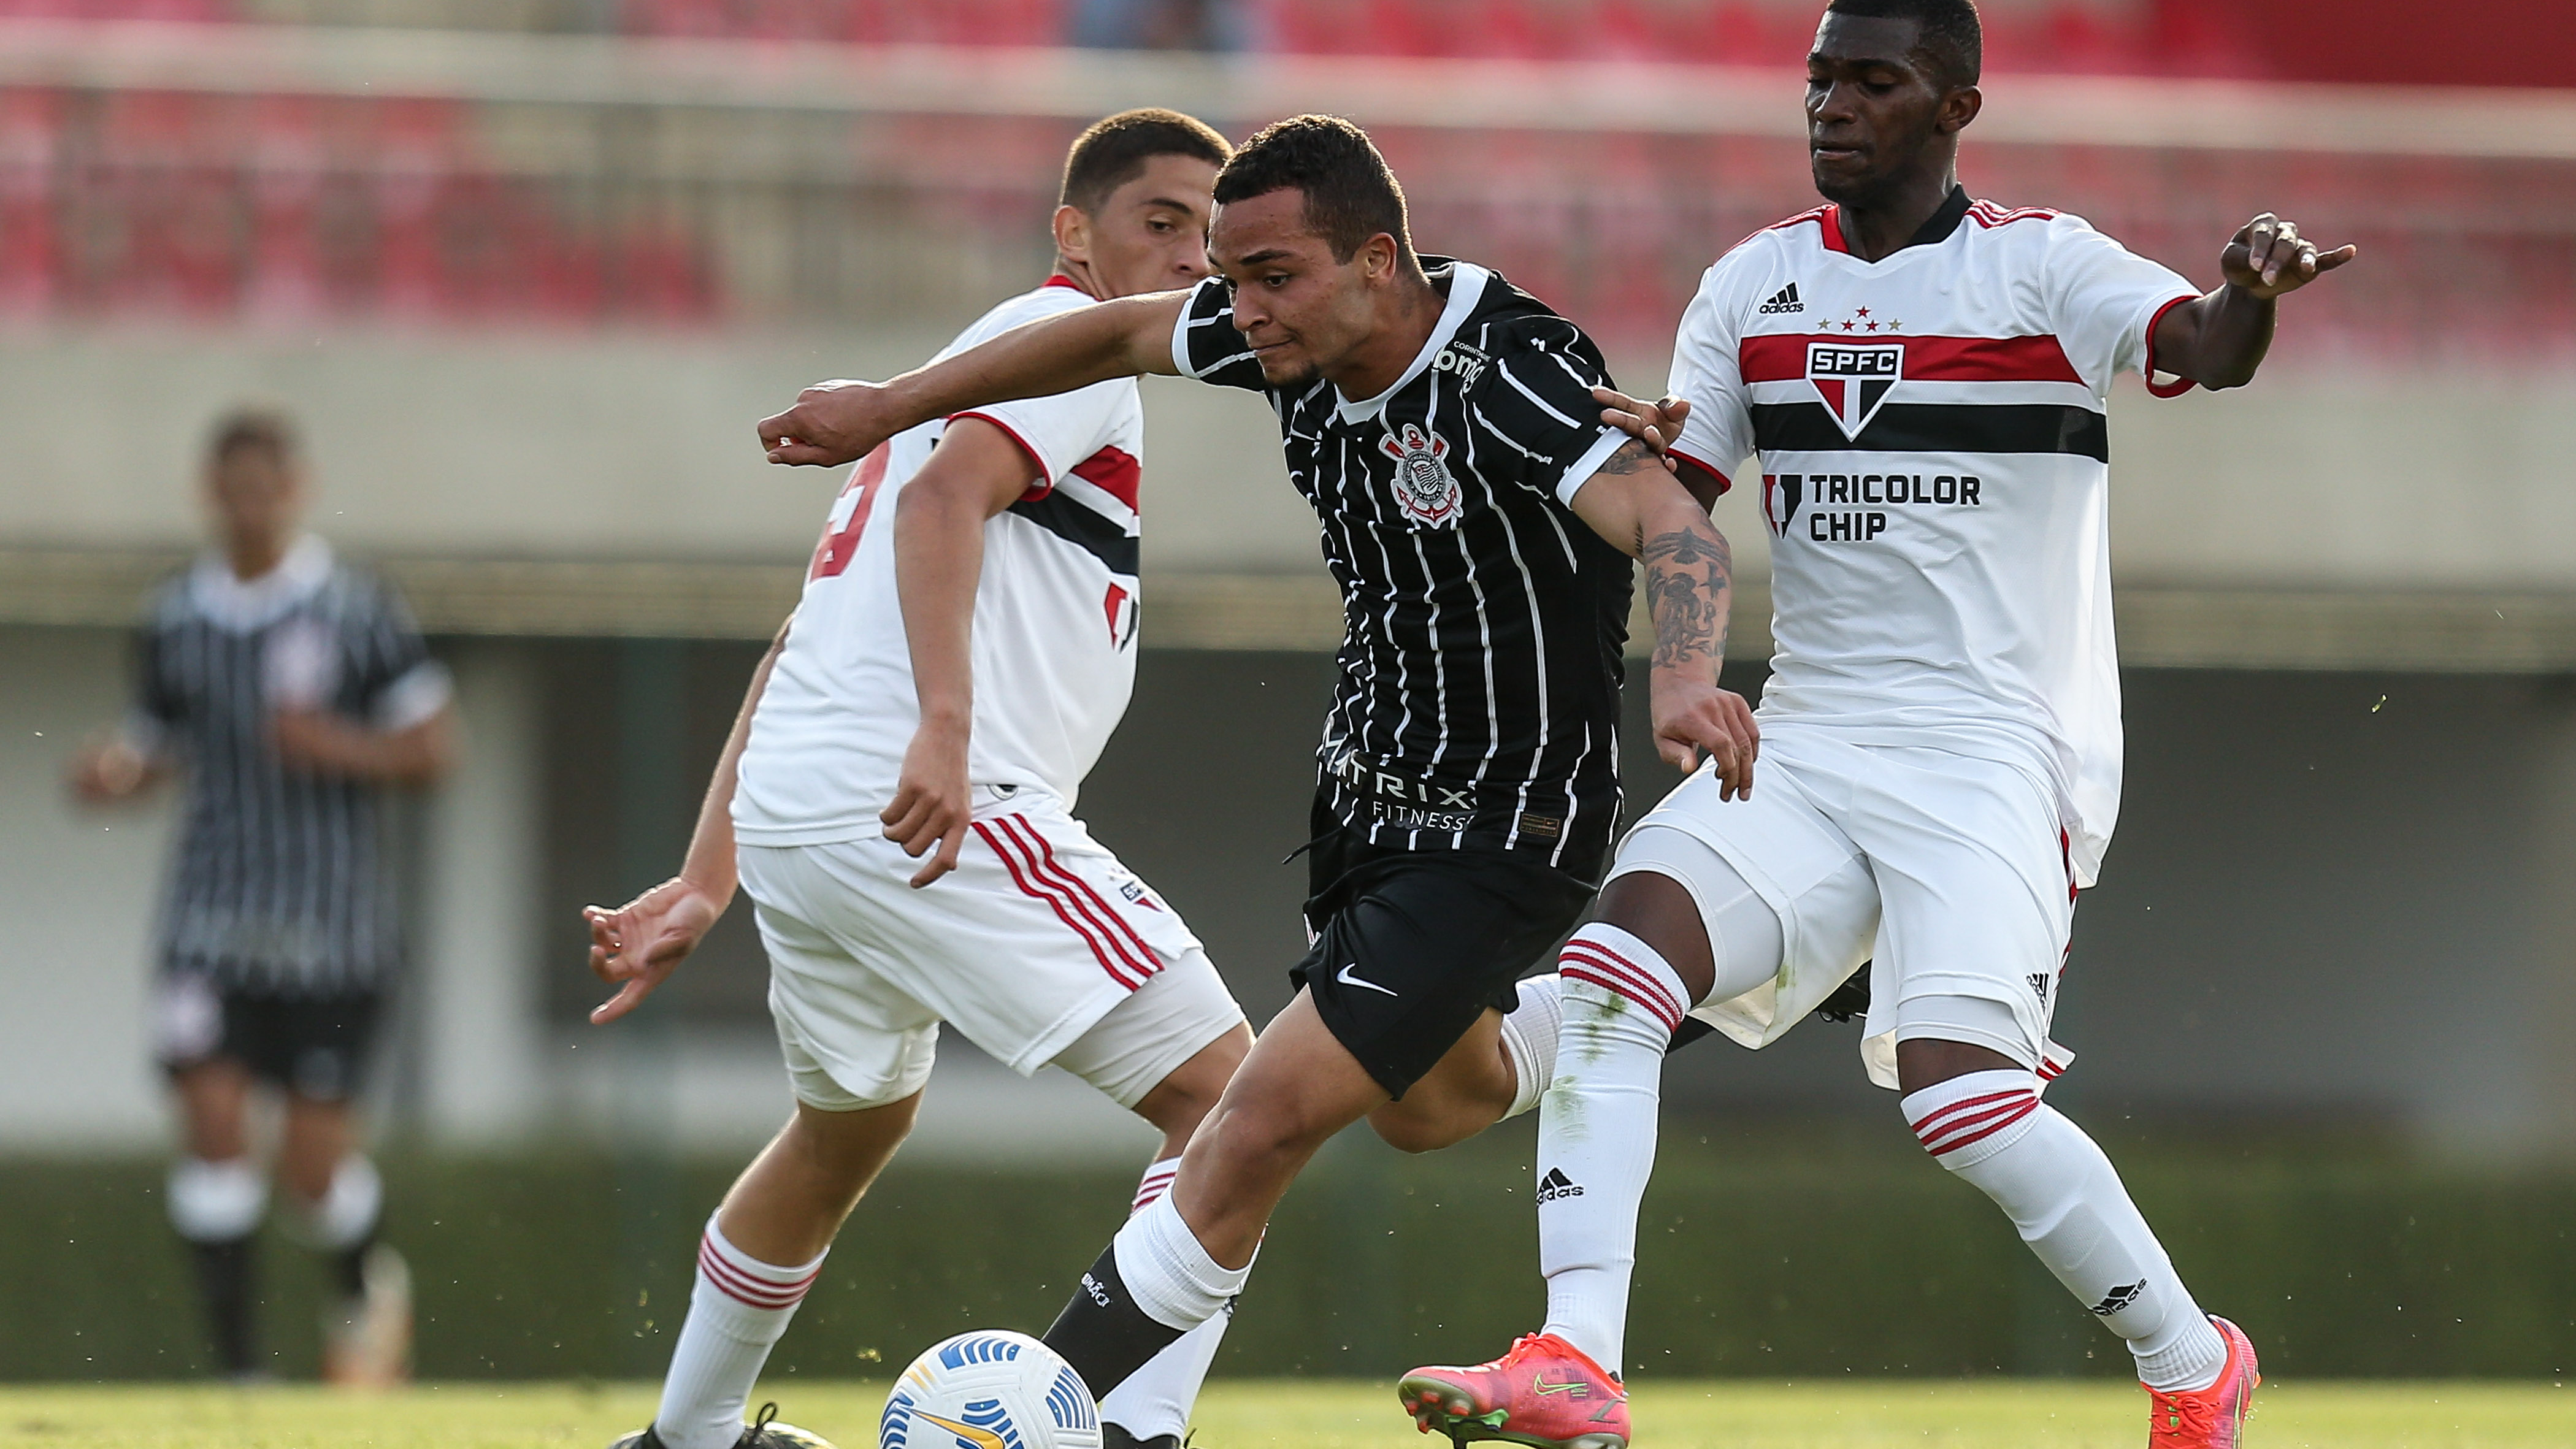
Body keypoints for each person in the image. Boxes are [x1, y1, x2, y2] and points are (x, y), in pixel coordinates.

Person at [1396, 3, 2356, 1447]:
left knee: (1960, 1101)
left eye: (1874, 81)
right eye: (1819, 80)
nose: (1833, 105)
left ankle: (2192, 1360)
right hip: (1811, 737)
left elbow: (2206, 348)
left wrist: (2254, 296)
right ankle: (1575, 1358)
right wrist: (1594, 483)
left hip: (1994, 746)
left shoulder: (2041, 265)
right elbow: (1678, 511)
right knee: (1610, 973)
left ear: (1956, 105)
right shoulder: (1750, 284)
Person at [754, 113, 1755, 1422]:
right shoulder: (1279, 325)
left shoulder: (1504, 371)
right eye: (1229, 278)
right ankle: (1646, 986)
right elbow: (1108, 334)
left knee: (1251, 1120)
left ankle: (1043, 1410)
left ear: (1378, 264)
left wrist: (1682, 677)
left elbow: (1673, 524)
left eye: (1271, 277)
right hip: (1367, 796)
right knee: (1434, 1102)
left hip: (1507, 813)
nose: (1239, 310)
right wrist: (893, 403)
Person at [585, 110, 1259, 1449]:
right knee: (1239, 1096)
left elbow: (802, 642)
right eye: (1162, 223)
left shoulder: (965, 367)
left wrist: (707, 877)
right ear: (1077, 234)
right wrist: (946, 729)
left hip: (803, 810)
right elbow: (943, 505)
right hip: (933, 804)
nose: (1193, 261)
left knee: (847, 1126)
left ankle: (690, 1435)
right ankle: (1130, 1429)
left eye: (1215, 239)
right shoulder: (1074, 346)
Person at [70, 407, 454, 1385]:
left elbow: (434, 749)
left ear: (296, 488)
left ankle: (366, 1299)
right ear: (210, 493)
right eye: (231, 489)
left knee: (313, 1169)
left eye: (265, 487)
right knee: (211, 1121)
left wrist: (339, 745)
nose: (249, 507)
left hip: (334, 930)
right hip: (208, 920)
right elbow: (150, 744)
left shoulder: (358, 610)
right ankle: (240, 1377)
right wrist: (115, 774)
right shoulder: (173, 619)